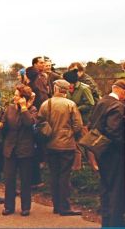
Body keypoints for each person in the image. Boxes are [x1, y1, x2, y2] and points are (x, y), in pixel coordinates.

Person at [37, 79, 83, 216]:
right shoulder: (70, 104)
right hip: (66, 145)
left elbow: (40, 123)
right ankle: (65, 207)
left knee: (54, 174)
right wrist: (70, 133)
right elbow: (78, 125)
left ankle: (56, 205)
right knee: (64, 176)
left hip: (50, 144)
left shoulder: (46, 104)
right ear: (65, 90)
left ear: (56, 88)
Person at [0, 84, 37, 216]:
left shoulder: (32, 110)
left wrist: (24, 108)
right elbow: (5, 125)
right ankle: (9, 206)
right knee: (9, 179)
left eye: (17, 95)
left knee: (25, 180)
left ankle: (25, 207)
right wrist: (0, 125)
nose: (14, 97)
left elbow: (29, 123)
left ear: (24, 98)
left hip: (25, 149)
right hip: (10, 148)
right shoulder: (9, 109)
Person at [88, 79, 125, 227]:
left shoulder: (102, 102)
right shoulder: (117, 106)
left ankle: (107, 221)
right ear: (122, 91)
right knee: (117, 189)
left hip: (101, 151)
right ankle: (116, 223)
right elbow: (114, 131)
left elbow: (92, 123)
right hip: (115, 153)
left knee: (106, 187)